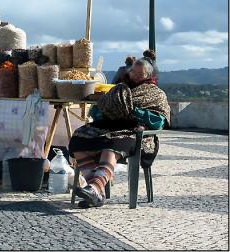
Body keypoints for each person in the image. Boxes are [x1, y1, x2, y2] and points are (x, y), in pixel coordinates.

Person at [69, 58, 170, 208]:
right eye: (133, 72)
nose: (134, 76)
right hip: (109, 126)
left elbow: (159, 121)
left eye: (139, 74)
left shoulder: (156, 94)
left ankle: (95, 189)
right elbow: (97, 110)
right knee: (79, 139)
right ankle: (97, 192)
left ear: (148, 75)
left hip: (135, 132)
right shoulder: (118, 89)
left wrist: (134, 111)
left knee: (111, 146)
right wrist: (108, 111)